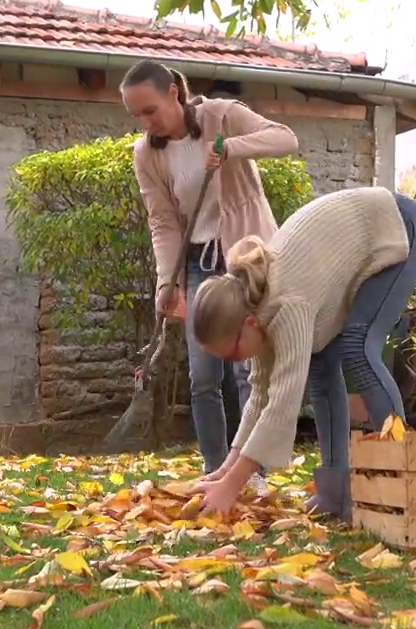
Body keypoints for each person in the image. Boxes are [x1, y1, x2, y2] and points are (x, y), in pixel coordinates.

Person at [187, 186, 416, 519]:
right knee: (320, 366)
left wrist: (233, 486)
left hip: (398, 227)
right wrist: (224, 471)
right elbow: (260, 398)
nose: (236, 362)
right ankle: (335, 496)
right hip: (367, 241)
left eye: (232, 354)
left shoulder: (285, 305)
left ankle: (406, 489)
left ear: (247, 323)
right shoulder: (255, 313)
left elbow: (283, 404)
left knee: (359, 348)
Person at [120, 59, 300, 480]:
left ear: (173, 93)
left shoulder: (223, 115)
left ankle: (252, 473)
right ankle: (214, 468)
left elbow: (285, 139)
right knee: (203, 376)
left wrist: (231, 147)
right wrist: (167, 280)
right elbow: (162, 220)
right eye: (136, 116)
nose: (146, 122)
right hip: (199, 265)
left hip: (243, 263)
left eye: (150, 110)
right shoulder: (146, 153)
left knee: (247, 370)